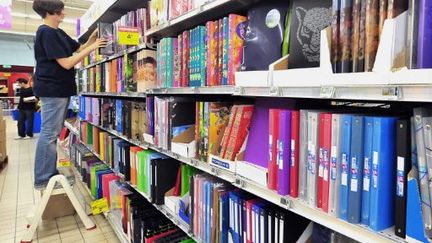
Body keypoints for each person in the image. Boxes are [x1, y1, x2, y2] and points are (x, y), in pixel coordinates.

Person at [32, 0, 107, 190]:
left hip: (59, 89)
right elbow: (66, 63)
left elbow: (78, 49)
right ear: (50, 12)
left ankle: (48, 174)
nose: (63, 13)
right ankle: (43, 178)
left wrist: (91, 39)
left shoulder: (57, 32)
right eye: (60, 10)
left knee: (52, 133)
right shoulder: (46, 32)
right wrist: (93, 47)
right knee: (49, 134)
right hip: (52, 89)